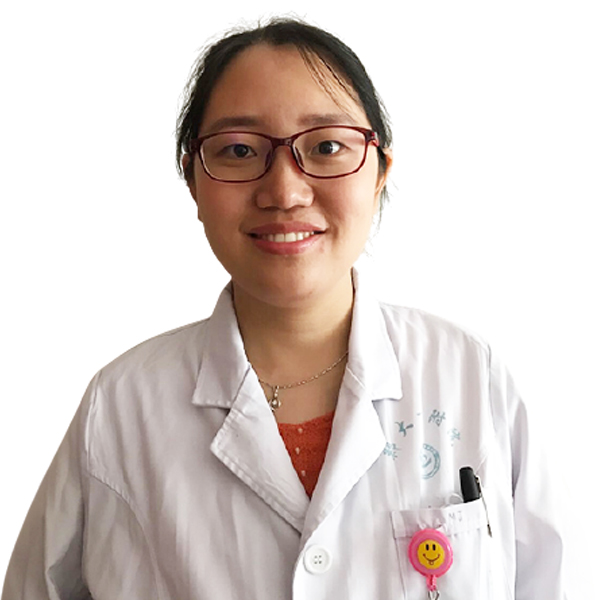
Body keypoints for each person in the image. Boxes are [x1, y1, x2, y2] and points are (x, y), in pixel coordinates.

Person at [2, 17, 566, 600]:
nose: (285, 192)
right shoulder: (121, 407)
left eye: (326, 146)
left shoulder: (469, 374)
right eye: (239, 150)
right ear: (193, 182)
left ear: (379, 173)